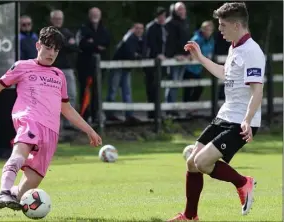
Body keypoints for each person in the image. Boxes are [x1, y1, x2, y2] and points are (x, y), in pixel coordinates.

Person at [0, 26, 102, 216]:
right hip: (29, 120)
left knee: (25, 190)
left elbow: (66, 108)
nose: (51, 53)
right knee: (19, 153)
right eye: (48, 47)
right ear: (38, 46)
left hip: (51, 132)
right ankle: (4, 190)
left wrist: (89, 130)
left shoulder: (59, 75)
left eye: (56, 49)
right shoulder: (22, 66)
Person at [168, 2, 265, 221]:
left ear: (237, 25)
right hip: (225, 116)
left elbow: (257, 90)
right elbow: (225, 73)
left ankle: (243, 182)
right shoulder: (234, 47)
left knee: (203, 163)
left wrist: (247, 120)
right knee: (192, 163)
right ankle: (190, 216)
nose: (219, 29)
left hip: (240, 121)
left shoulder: (252, 52)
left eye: (222, 25)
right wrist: (200, 57)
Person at [106, 23, 144, 123]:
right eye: (137, 28)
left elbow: (141, 52)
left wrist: (137, 55)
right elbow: (130, 52)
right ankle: (110, 114)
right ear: (132, 29)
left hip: (126, 68)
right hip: (117, 66)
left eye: (141, 28)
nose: (139, 30)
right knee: (113, 90)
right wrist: (136, 55)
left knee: (127, 91)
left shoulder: (138, 40)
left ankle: (129, 115)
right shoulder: (129, 38)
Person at [183, 21, 215, 102]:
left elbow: (210, 52)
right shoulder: (196, 39)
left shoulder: (211, 41)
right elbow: (190, 52)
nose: (208, 32)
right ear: (202, 30)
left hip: (199, 69)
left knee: (199, 88)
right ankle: (187, 109)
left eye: (210, 30)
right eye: (206, 29)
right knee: (189, 90)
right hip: (189, 69)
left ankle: (192, 108)